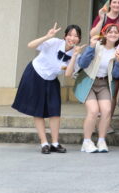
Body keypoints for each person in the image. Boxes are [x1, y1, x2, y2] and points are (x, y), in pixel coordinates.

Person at [12, 23, 83, 154]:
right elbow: (30, 45)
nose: (72, 38)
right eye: (70, 35)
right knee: (38, 111)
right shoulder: (54, 42)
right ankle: (44, 143)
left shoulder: (76, 54)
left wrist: (73, 56)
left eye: (76, 36)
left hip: (51, 79)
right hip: (35, 74)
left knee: (55, 111)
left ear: (79, 39)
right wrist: (47, 36)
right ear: (65, 36)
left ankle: (55, 143)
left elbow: (68, 74)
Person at [73, 24, 119, 153]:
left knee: (107, 111)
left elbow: (117, 75)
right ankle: (87, 141)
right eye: (110, 32)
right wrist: (90, 47)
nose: (113, 34)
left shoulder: (118, 51)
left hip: (104, 84)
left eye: (116, 32)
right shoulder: (97, 46)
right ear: (105, 34)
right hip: (89, 82)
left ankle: (102, 140)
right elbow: (83, 63)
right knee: (93, 111)